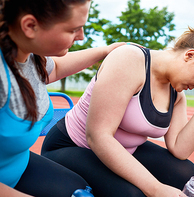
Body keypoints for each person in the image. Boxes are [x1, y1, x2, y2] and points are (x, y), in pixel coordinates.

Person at [41, 17, 194, 197]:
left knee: (186, 173)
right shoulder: (130, 60)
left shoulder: (176, 93)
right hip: (73, 146)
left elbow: (180, 149)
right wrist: (155, 188)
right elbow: (98, 137)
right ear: (190, 55)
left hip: (124, 149)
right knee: (133, 194)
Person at [0, 0, 126, 196]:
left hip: (18, 165)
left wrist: (106, 51)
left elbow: (56, 67)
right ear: (30, 26)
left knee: (81, 191)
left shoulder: (30, 57)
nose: (81, 36)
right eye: (74, 29)